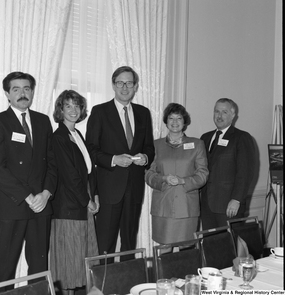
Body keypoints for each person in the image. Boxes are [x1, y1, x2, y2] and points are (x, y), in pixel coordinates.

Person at [0, 72, 57, 292]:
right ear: (7, 93)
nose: (22, 93)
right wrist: (28, 196)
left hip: (41, 207)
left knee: (39, 267)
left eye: (26, 88)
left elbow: (52, 164)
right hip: (12, 205)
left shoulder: (43, 121)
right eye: (15, 89)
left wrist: (45, 194)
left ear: (32, 91)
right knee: (5, 267)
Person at [86, 66, 155, 259]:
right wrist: (113, 159)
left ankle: (126, 284)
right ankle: (101, 286)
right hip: (109, 188)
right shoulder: (100, 112)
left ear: (135, 87)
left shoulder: (143, 113)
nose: (125, 87)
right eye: (120, 83)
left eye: (129, 83)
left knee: (129, 242)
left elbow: (150, 147)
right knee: (105, 243)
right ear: (113, 85)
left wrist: (145, 158)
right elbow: (90, 149)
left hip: (134, 188)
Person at [50, 90, 99, 295]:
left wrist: (94, 196)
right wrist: (87, 200)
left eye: (77, 106)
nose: (73, 110)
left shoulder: (77, 134)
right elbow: (70, 175)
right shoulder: (59, 136)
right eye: (67, 106)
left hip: (82, 201)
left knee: (80, 260)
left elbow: (89, 169)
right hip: (69, 206)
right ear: (60, 110)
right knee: (68, 262)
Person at [145, 103, 209, 244]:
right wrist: (163, 179)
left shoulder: (197, 144)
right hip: (163, 207)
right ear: (166, 122)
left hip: (186, 208)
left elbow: (203, 175)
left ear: (184, 121)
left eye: (179, 118)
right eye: (171, 118)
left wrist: (183, 181)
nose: (175, 122)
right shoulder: (155, 145)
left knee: (186, 250)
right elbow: (149, 175)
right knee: (164, 248)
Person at [200, 98, 255, 229]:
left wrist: (236, 199)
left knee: (229, 247)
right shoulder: (205, 138)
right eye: (216, 111)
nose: (219, 116)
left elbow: (245, 173)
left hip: (229, 206)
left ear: (233, 115)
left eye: (224, 112)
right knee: (210, 244)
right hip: (207, 206)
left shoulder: (242, 137)